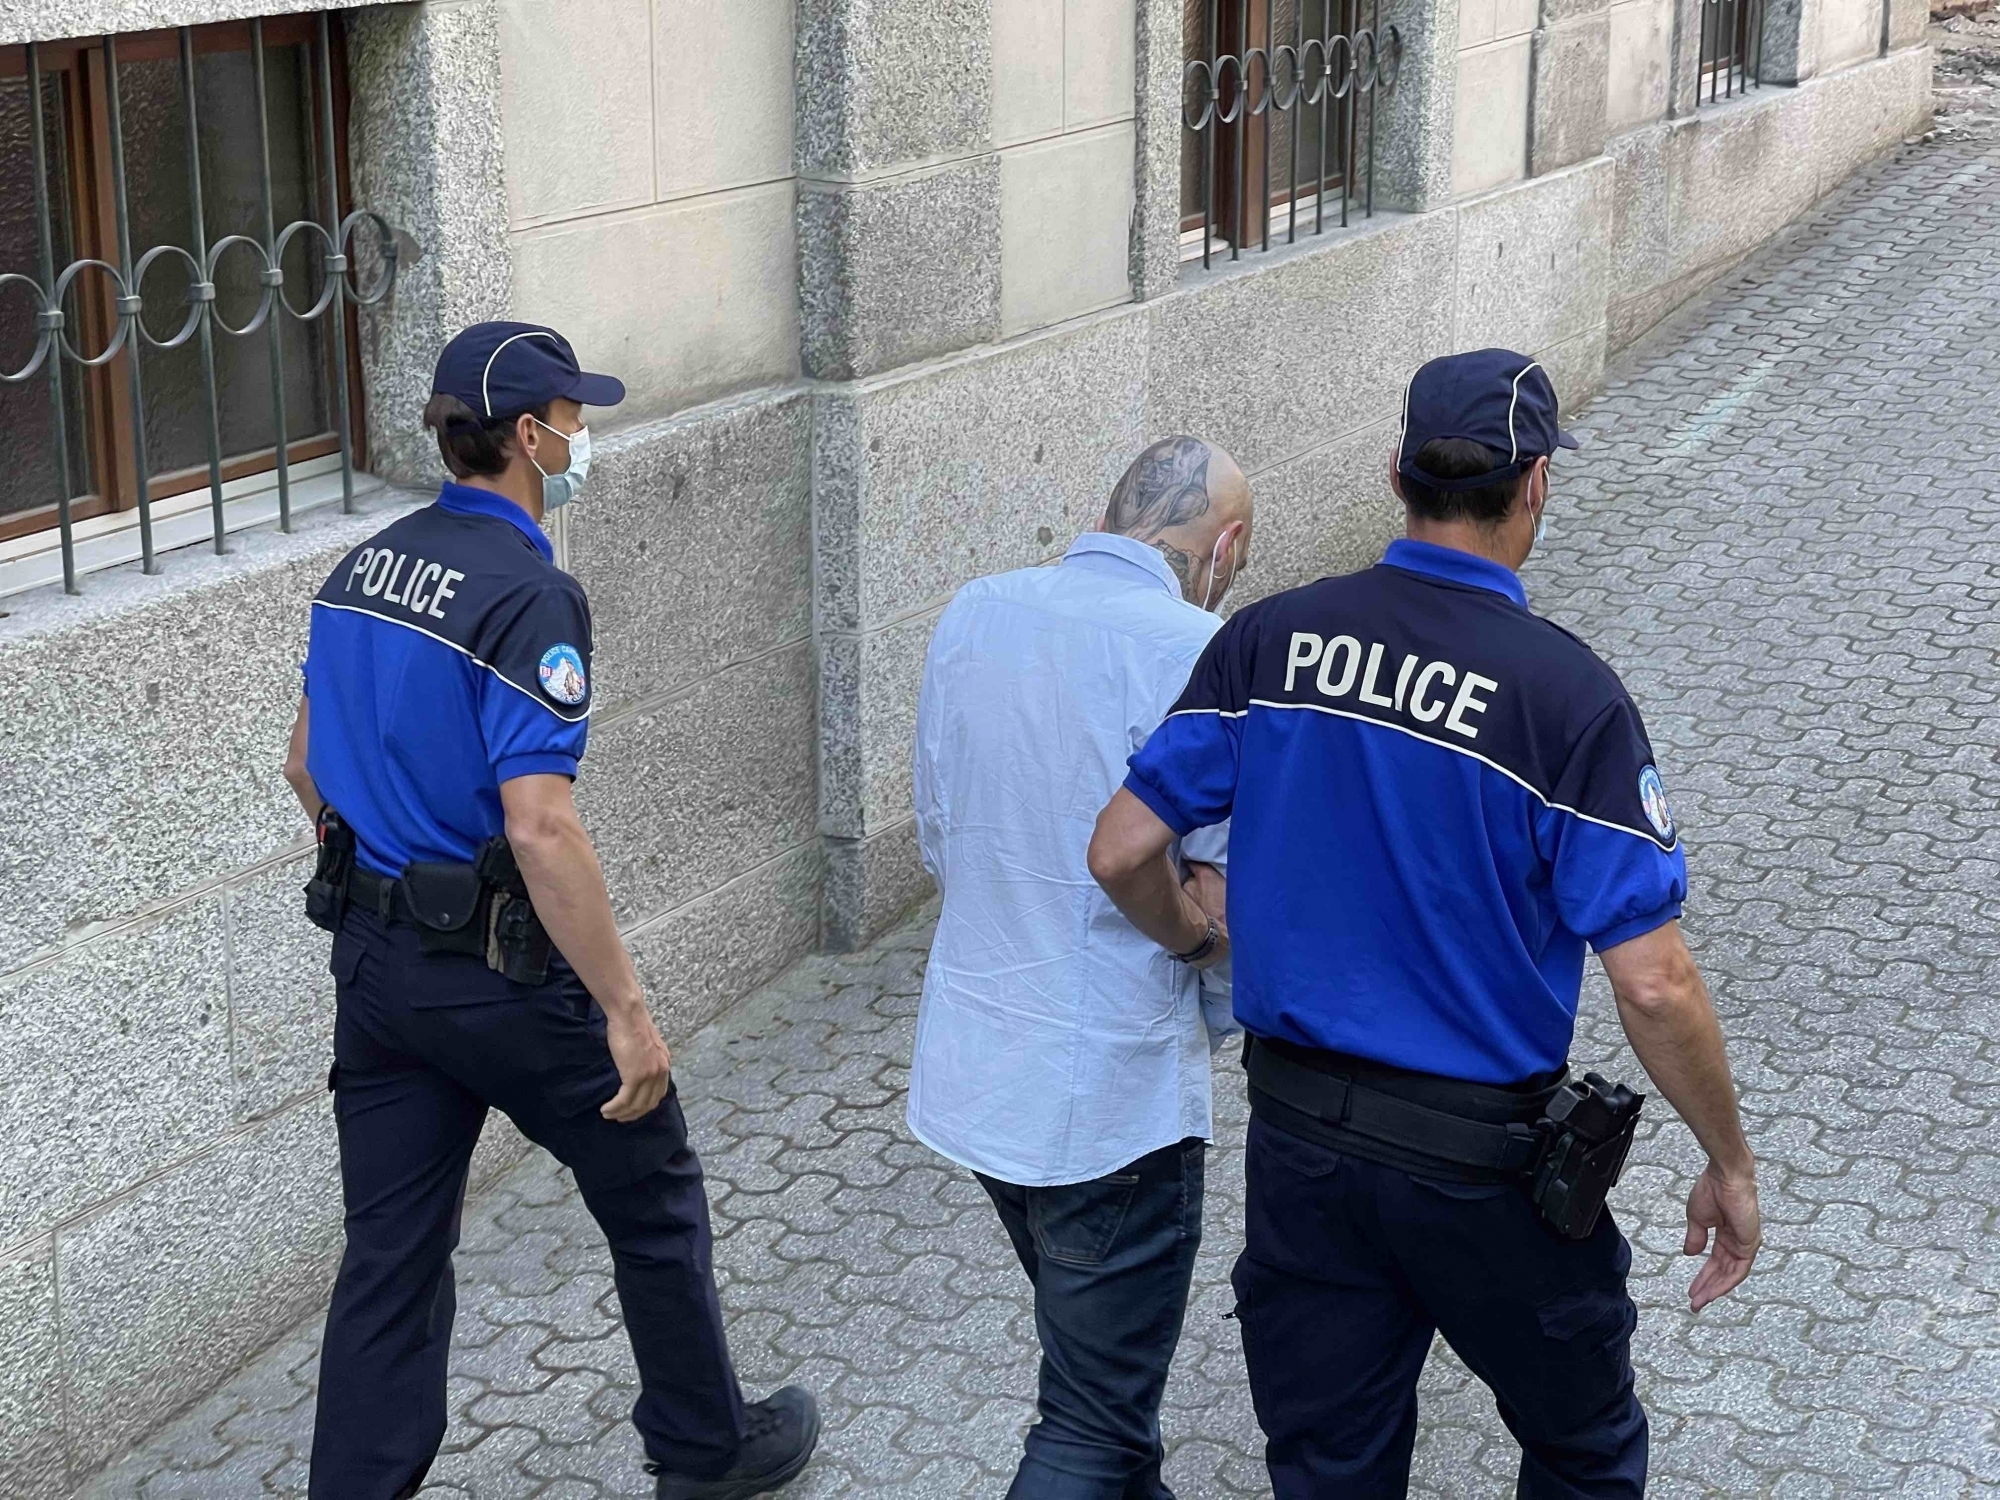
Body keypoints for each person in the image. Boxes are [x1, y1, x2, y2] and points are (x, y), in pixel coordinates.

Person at [1087, 350, 1762, 1498]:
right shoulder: (1567, 699)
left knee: (1329, 1466)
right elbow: (1651, 983)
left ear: (1395, 470)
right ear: (1536, 484)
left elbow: (1119, 848)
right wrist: (1726, 1161)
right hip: (1480, 1173)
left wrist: (1202, 944)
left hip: (1299, 1150)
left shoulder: (1271, 640)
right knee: (1581, 1448)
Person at [283, 321, 820, 1500]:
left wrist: (364, 860)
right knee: (652, 1188)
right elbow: (540, 826)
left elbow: (303, 762)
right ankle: (705, 1450)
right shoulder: (529, 592)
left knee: (391, 1258)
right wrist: (626, 1010)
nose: (583, 438)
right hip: (498, 978)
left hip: (375, 974)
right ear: (528, 437)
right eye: (574, 418)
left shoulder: (361, 567)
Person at [907, 435, 1254, 1498]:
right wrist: (1200, 948)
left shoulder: (975, 609)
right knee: (1090, 1426)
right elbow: (1216, 902)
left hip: (974, 1074)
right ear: (1222, 546)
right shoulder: (1201, 649)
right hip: (1109, 1102)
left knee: (1102, 1383)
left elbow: (938, 833)